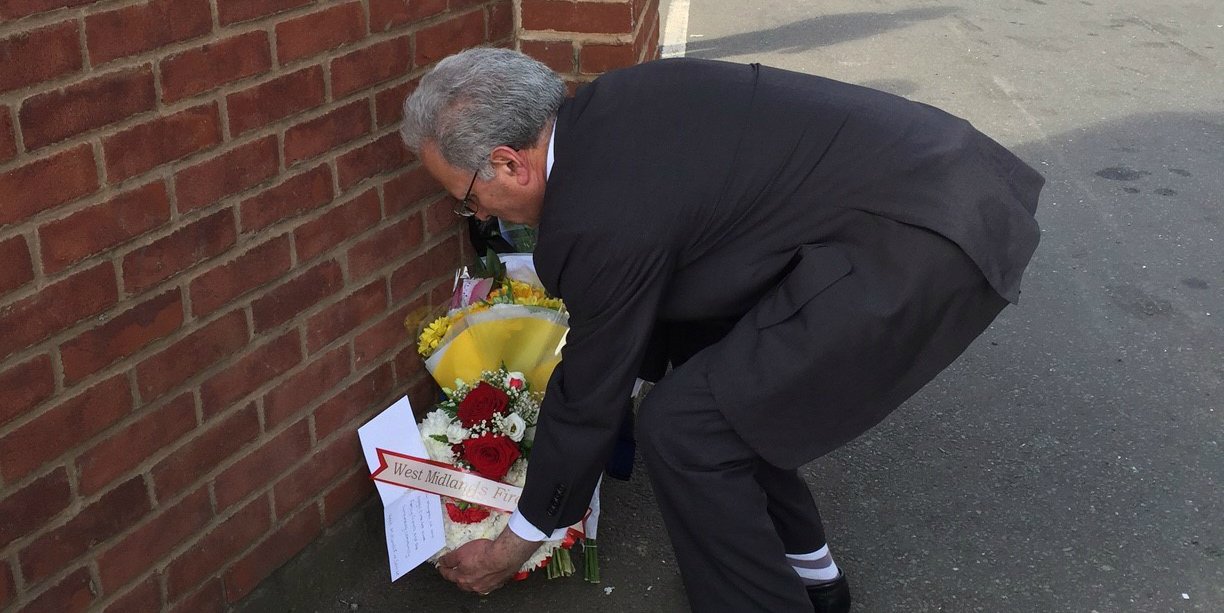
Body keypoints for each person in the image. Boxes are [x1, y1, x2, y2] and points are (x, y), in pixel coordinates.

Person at [399, 47, 1043, 612]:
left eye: (469, 197)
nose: (476, 214)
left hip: (919, 242)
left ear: (511, 163)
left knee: (688, 429)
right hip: (934, 182)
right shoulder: (615, 105)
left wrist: (519, 540)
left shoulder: (594, 216)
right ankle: (813, 576)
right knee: (718, 376)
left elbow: (592, 385)